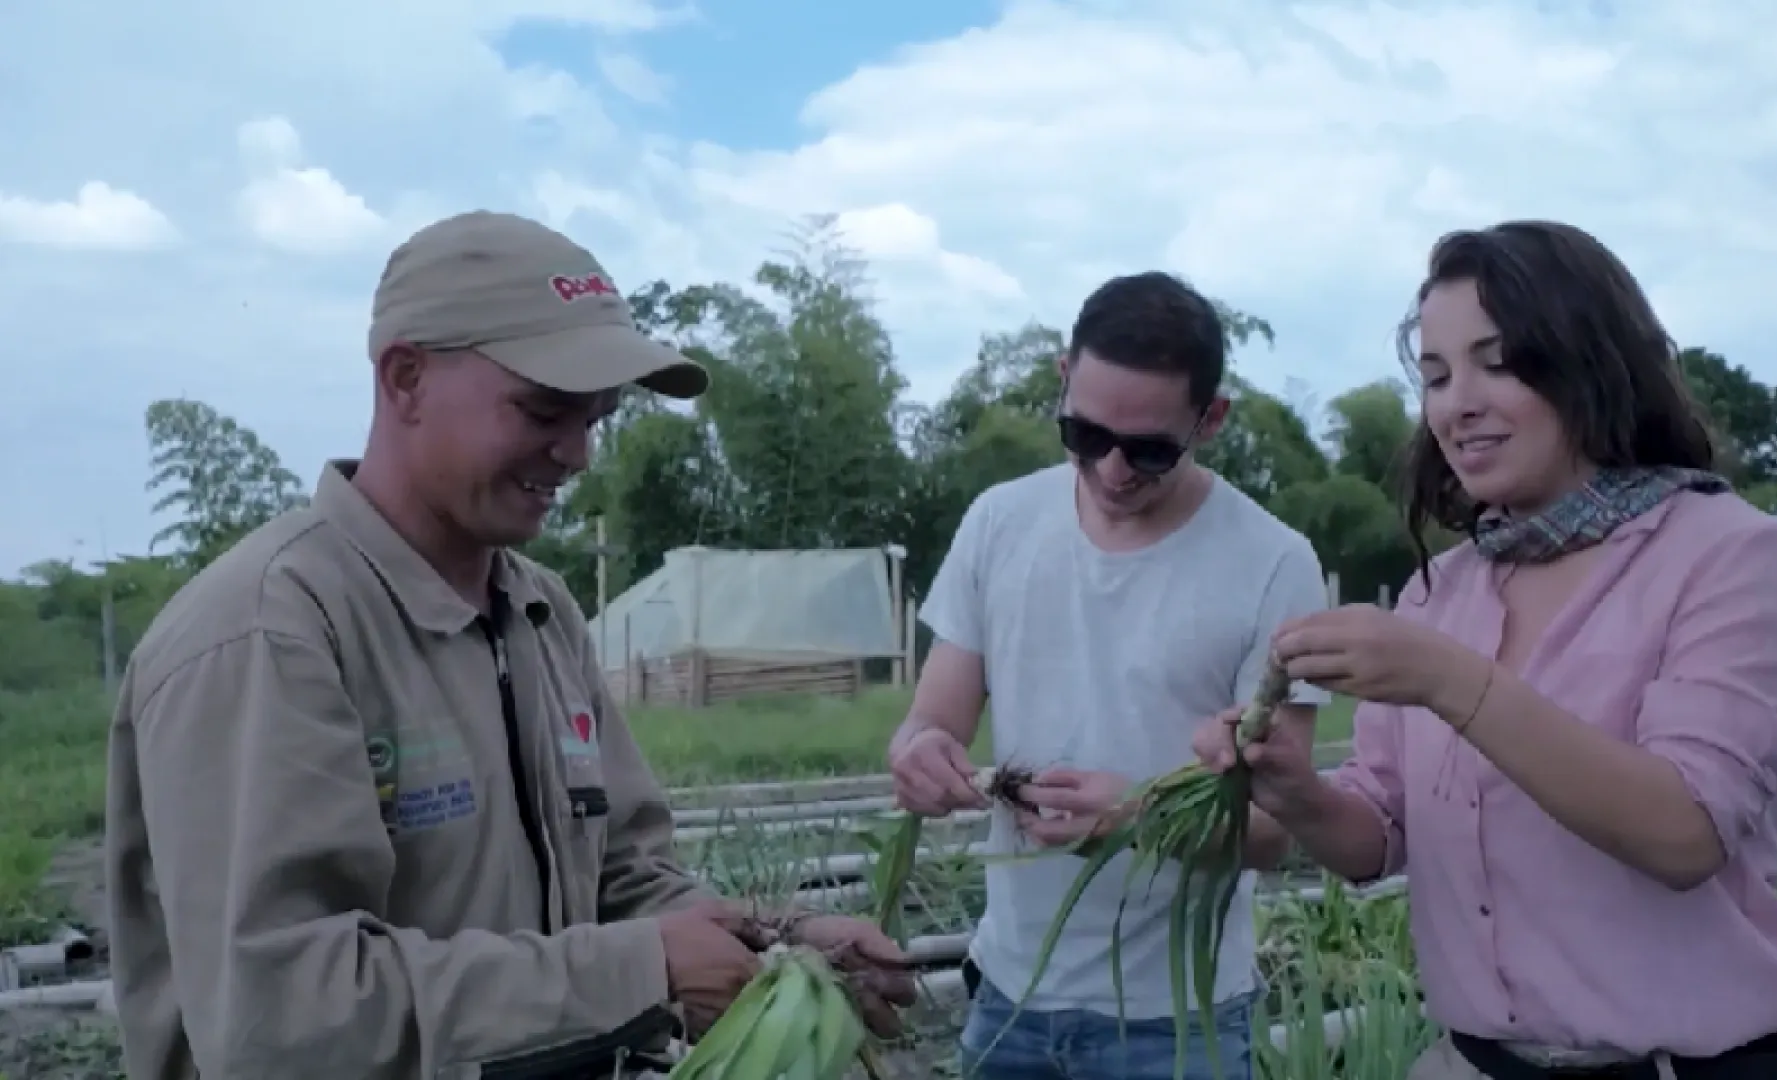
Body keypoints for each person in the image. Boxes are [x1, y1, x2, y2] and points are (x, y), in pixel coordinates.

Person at [103, 210, 913, 1080]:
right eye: (543, 411)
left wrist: (785, 949)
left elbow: (626, 883)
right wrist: (641, 972)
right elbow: (282, 1014)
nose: (577, 453)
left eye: (596, 417)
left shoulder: (539, 612)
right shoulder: (272, 633)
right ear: (406, 379)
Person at [1196, 220, 1777, 1080]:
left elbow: (1687, 832)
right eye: (1434, 376)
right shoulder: (1444, 589)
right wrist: (1297, 790)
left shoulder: (1727, 554)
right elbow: (1374, 838)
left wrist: (1447, 680)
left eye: (1496, 363)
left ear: (1590, 361)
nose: (1455, 403)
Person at [887, 271, 1333, 1079]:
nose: (1114, 471)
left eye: (1151, 449)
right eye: (1087, 435)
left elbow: (1279, 831)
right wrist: (918, 754)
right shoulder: (1000, 523)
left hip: (1173, 1027)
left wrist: (1137, 818)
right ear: (1063, 381)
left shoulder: (1273, 564)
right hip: (1008, 1002)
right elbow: (932, 723)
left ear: (1212, 418)